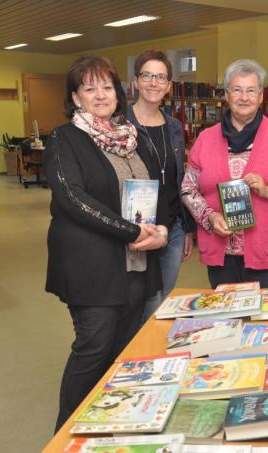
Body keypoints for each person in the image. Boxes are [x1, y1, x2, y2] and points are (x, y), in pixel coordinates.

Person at [44, 55, 170, 432]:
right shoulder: (64, 138)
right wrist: (132, 233)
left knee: (124, 351)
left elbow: (155, 191)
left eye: (107, 86)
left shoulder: (131, 138)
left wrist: (161, 231)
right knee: (93, 349)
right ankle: (66, 434)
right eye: (89, 88)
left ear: (118, 92)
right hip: (91, 268)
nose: (100, 95)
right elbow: (72, 197)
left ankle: (109, 427)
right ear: (76, 97)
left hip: (135, 265)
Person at [181, 59, 268, 289]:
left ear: (260, 96)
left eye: (251, 91)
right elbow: (188, 188)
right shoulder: (206, 139)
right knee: (225, 320)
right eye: (237, 90)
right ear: (226, 95)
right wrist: (209, 217)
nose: (244, 97)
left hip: (266, 251)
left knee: (264, 322)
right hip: (220, 253)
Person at [125, 49, 196, 322]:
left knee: (164, 295)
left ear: (168, 86)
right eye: (147, 75)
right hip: (140, 226)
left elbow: (180, 179)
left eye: (161, 77)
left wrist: (187, 228)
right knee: (143, 296)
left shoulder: (174, 126)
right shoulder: (121, 125)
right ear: (136, 81)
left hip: (174, 225)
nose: (153, 83)